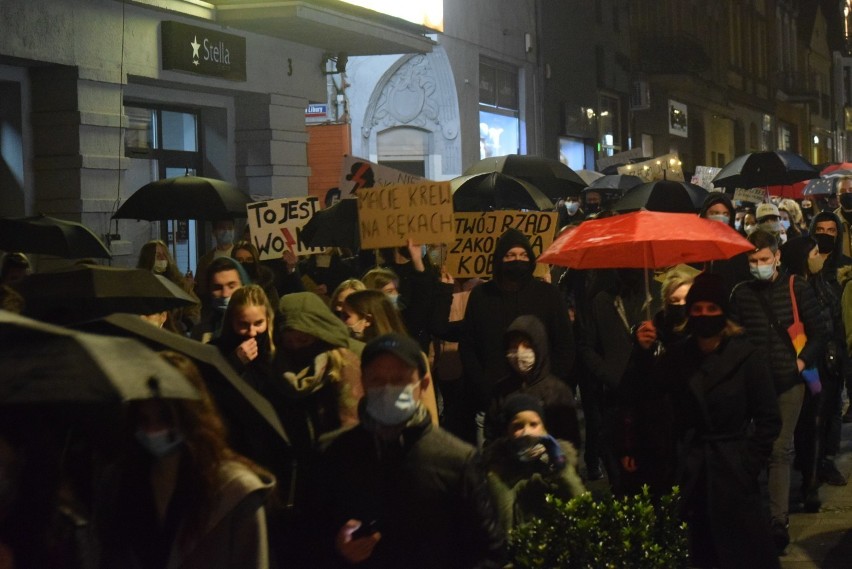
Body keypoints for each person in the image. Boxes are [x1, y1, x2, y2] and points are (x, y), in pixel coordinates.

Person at [312, 333, 506, 569]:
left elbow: (488, 550)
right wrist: (339, 548)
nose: (388, 389)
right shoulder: (334, 451)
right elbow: (310, 536)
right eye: (378, 379)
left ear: (422, 385)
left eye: (399, 379)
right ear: (363, 382)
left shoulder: (456, 459)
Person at [633, 273, 781, 569]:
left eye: (711, 309)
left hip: (732, 470)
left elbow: (768, 417)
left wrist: (747, 462)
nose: (704, 315)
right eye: (697, 308)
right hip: (693, 472)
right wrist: (642, 352)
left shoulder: (747, 357)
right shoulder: (677, 357)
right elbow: (646, 396)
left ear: (723, 312)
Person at [97, 351, 275, 569]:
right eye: (143, 419)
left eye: (165, 418)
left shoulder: (235, 490)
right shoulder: (119, 480)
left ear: (190, 415)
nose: (153, 430)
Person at [729, 229, 828, 553]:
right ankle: (754, 512)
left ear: (777, 257)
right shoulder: (741, 294)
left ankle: (777, 521)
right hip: (754, 386)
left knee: (780, 449)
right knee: (755, 448)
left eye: (764, 259)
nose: (758, 265)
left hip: (788, 383)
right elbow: (736, 339)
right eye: (753, 260)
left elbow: (818, 333)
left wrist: (799, 364)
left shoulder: (795, 287)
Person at [460, 228, 574, 444]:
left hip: (543, 406)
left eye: (522, 255)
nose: (517, 260)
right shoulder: (481, 296)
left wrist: (550, 386)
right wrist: (484, 388)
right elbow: (468, 347)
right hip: (494, 404)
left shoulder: (548, 295)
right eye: (510, 256)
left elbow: (565, 345)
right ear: (499, 260)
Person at [577, 267, 662, 487]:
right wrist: (609, 374)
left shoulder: (659, 296)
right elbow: (587, 348)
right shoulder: (602, 301)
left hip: (654, 399)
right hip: (615, 400)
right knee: (620, 477)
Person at [482, 392, 585, 536]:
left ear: (544, 428)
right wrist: (499, 479)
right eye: (518, 426)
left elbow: (580, 503)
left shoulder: (556, 461)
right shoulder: (497, 465)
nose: (526, 432)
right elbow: (504, 524)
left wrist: (561, 468)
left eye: (534, 424)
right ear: (507, 432)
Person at [341, 288, 441, 425]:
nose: (341, 322)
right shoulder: (346, 357)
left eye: (346, 316)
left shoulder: (412, 357)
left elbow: (430, 416)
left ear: (367, 320)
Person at [484, 315, 580, 450]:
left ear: (539, 346)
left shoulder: (558, 391)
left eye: (527, 345)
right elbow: (491, 436)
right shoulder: (501, 390)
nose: (519, 352)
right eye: (514, 346)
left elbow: (571, 442)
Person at [806, 211, 852, 483]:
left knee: (834, 404)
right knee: (814, 405)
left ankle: (827, 459)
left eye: (831, 230)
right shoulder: (804, 263)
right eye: (820, 229)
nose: (825, 234)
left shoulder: (844, 266)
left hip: (839, 347)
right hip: (812, 351)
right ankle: (810, 460)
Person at [210, 284, 275, 390]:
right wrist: (234, 363)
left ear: (267, 319)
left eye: (258, 323)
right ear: (231, 321)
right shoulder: (214, 351)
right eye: (243, 324)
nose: (252, 333)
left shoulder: (278, 351)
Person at [137, 240, 201, 333]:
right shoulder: (139, 285)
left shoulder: (179, 284)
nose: (163, 258)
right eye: (158, 256)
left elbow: (194, 309)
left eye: (164, 255)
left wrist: (184, 325)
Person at [698, 193, 751, 294]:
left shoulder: (739, 248)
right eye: (714, 213)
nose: (720, 218)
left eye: (725, 214)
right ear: (704, 215)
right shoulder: (693, 244)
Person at [191, 257, 250, 343]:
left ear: (243, 286)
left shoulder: (257, 326)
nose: (225, 294)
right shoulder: (200, 332)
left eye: (231, 286)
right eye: (217, 288)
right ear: (209, 290)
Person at [231, 240, 280, 310]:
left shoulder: (268, 288)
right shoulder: (228, 288)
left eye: (249, 259)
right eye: (239, 260)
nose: (244, 263)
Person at [651, 268, 694, 346]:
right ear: (666, 302)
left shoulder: (700, 333)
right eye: (675, 300)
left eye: (687, 299)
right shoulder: (655, 330)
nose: (682, 304)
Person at [196, 219, 237, 296]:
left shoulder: (240, 256)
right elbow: (200, 287)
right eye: (222, 228)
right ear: (214, 232)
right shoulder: (205, 260)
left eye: (230, 228)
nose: (226, 231)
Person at [833, 175, 852, 257]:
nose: (847, 193)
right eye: (843, 191)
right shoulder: (832, 221)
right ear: (838, 196)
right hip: (842, 269)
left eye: (851, 190)